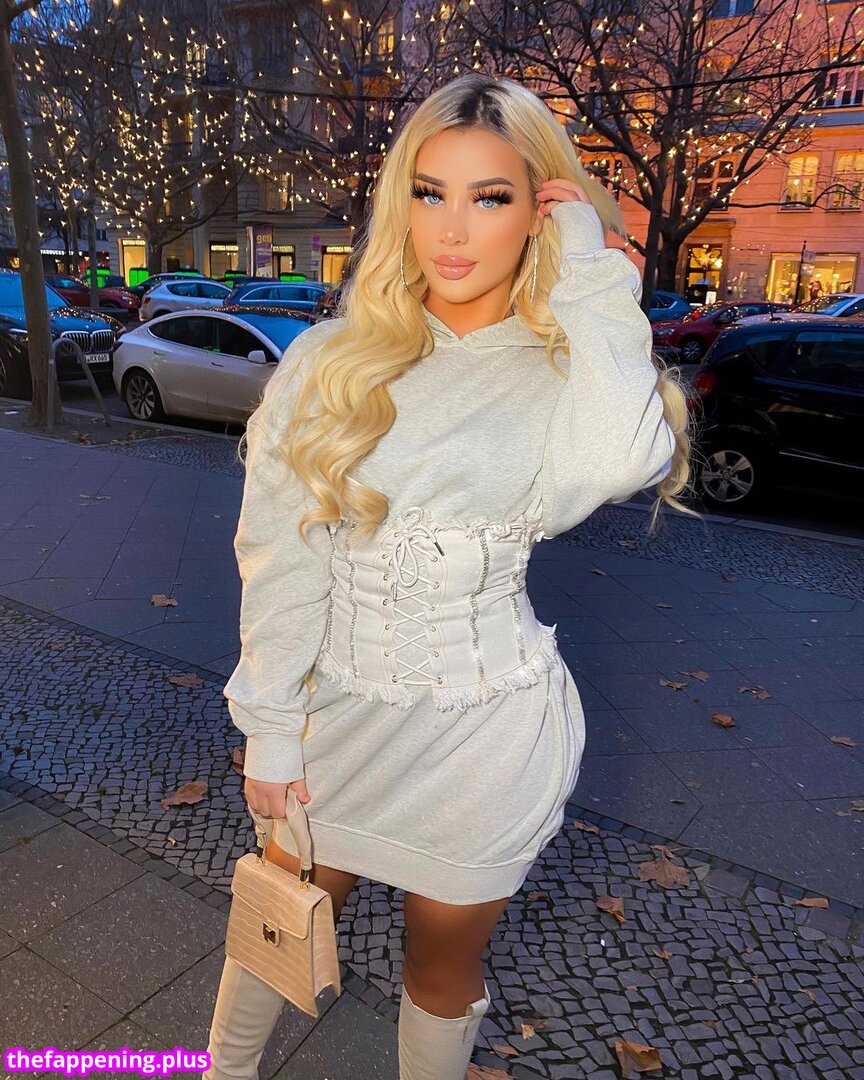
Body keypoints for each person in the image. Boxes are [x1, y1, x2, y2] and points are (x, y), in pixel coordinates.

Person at [202, 73, 694, 1080]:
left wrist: (592, 271)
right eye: (430, 193)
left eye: (491, 196)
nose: (453, 229)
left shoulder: (562, 369)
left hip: (485, 736)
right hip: (336, 716)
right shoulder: (333, 359)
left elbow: (622, 458)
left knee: (440, 961)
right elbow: (282, 555)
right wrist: (272, 725)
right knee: (276, 915)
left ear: (537, 211)